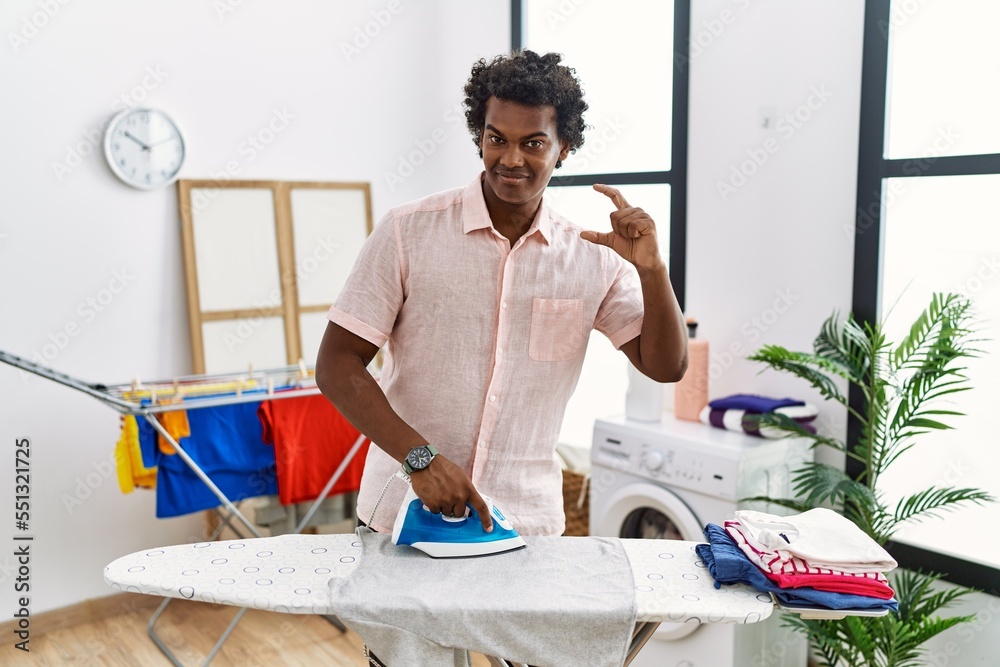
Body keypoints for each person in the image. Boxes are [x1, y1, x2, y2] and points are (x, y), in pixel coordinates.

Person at [316, 49, 687, 541]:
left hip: (526, 525)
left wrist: (653, 271)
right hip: (402, 514)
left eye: (533, 143)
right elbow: (337, 364)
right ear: (480, 137)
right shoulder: (408, 232)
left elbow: (665, 366)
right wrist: (418, 459)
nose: (511, 159)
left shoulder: (591, 258)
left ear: (564, 147)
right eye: (497, 139)